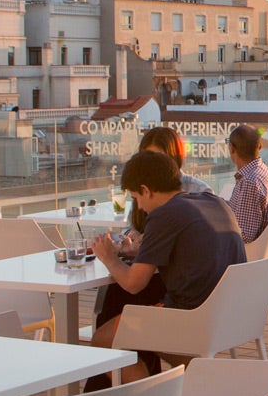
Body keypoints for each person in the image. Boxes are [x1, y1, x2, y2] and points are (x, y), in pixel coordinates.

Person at [89, 150, 246, 382]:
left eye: (137, 198)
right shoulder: (213, 201)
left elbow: (133, 284)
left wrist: (108, 257)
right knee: (139, 327)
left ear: (146, 190)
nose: (140, 207)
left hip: (191, 319)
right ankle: (205, 380)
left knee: (103, 339)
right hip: (230, 314)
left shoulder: (164, 215)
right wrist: (141, 251)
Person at [226, 124, 268, 244]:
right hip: (266, 253)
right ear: (260, 146)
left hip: (248, 257)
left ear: (231, 148)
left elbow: (244, 235)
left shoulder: (249, 182)